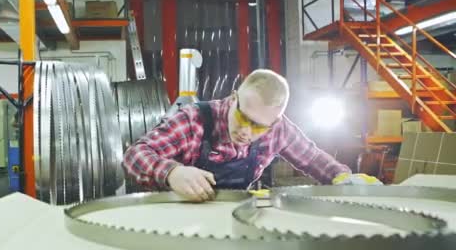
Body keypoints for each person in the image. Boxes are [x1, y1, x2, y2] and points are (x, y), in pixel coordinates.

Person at [122, 69, 381, 202]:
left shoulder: (277, 129)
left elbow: (312, 158)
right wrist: (171, 172)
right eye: (242, 117)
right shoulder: (194, 120)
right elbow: (135, 155)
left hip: (233, 216)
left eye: (258, 126)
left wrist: (343, 178)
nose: (246, 131)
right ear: (234, 98)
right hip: (174, 217)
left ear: (274, 122)